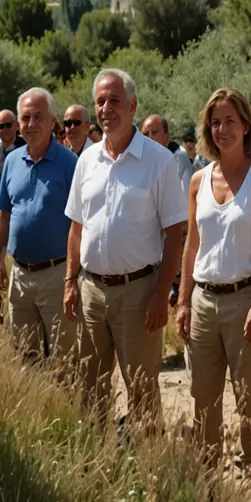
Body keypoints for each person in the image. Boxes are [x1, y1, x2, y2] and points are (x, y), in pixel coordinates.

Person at [64, 69, 186, 428]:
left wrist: (162, 293)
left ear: (132, 105)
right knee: (89, 385)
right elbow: (76, 227)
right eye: (100, 101)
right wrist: (71, 282)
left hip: (139, 292)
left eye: (114, 100)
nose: (106, 108)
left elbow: (175, 233)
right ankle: (96, 462)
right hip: (91, 291)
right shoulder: (86, 160)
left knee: (142, 388)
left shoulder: (158, 161)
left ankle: (149, 466)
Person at [176, 89, 251, 479]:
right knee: (203, 395)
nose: (222, 129)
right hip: (203, 300)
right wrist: (183, 301)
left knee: (249, 395)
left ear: (246, 125)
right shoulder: (199, 180)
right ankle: (208, 476)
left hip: (244, 301)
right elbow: (191, 246)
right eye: (215, 122)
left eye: (230, 121)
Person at [0, 89, 79, 364]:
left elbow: (80, 222)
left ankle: (65, 406)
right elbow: (3, 212)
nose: (30, 124)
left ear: (52, 121)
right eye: (25, 118)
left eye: (38, 117)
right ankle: (37, 406)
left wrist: (72, 278)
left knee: (63, 357)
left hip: (57, 274)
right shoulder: (12, 161)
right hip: (19, 274)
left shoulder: (70, 163)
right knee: (25, 355)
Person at [142, 113, 195, 194]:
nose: (150, 138)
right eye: (145, 134)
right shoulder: (141, 160)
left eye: (154, 132)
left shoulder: (179, 157)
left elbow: (184, 198)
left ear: (166, 136)